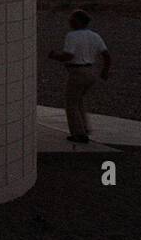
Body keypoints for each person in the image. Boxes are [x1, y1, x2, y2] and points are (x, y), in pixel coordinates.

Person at [47, 9, 111, 143]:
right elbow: (106, 55)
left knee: (71, 103)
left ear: (77, 22)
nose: (69, 21)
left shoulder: (72, 36)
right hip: (91, 72)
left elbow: (69, 55)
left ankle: (79, 134)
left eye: (72, 19)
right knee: (79, 100)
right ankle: (84, 128)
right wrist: (104, 71)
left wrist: (55, 56)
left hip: (77, 72)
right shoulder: (95, 36)